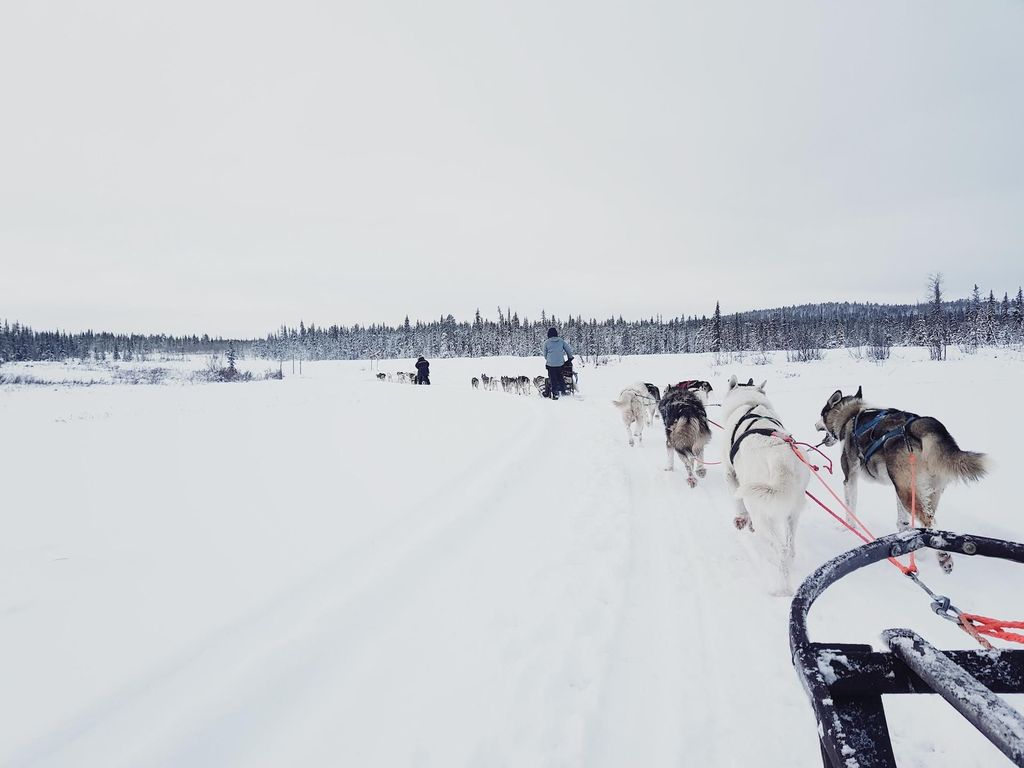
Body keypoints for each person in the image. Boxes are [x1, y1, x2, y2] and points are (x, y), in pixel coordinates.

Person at [542, 327, 573, 399]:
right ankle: (563, 391)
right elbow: (568, 349)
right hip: (560, 364)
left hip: (550, 365)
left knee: (553, 378)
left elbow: (545, 354)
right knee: (560, 377)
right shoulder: (561, 341)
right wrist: (570, 357)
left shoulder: (546, 342)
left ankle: (555, 393)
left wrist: (549, 359)